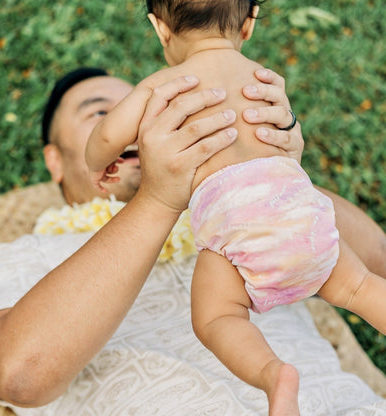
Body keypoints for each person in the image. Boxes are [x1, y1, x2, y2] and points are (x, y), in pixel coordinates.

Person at [0, 66, 386, 416]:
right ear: (55, 161)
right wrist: (158, 198)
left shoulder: (237, 213)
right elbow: (20, 374)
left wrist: (279, 174)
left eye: (146, 111)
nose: (135, 128)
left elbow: (378, 261)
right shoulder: (19, 256)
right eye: (102, 114)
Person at [84, 2, 386, 415]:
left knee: (217, 318)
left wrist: (100, 162)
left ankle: (273, 374)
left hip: (239, 233)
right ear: (248, 24)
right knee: (360, 287)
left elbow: (105, 139)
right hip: (304, 217)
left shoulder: (162, 86)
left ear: (160, 29)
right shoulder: (264, 80)